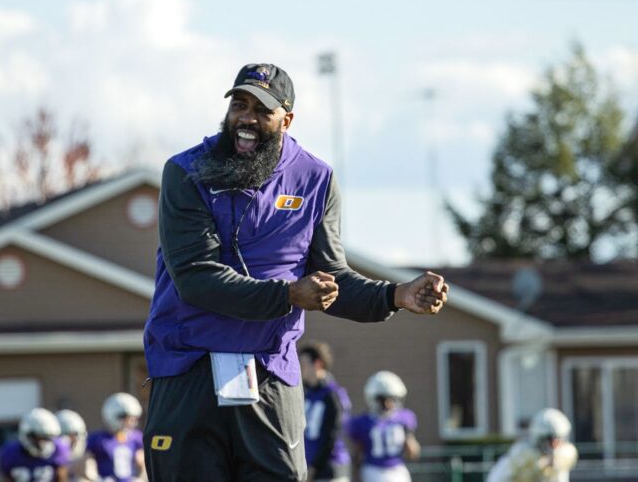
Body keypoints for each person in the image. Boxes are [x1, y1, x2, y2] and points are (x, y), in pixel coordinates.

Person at [142, 62, 449, 481]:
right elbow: (196, 278)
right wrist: (287, 296)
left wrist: (394, 295)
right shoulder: (185, 171)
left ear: (286, 119)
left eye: (261, 110)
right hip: (188, 371)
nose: (246, 118)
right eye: (239, 104)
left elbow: (331, 279)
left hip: (269, 374)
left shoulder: (316, 179)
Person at [347, 371, 420, 482]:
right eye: (382, 399)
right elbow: (357, 454)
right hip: (373, 470)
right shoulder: (362, 422)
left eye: (391, 399)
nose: (387, 404)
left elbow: (413, 454)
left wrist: (408, 436)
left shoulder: (404, 418)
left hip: (397, 470)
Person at [299, 341, 352, 482]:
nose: (300, 369)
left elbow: (332, 436)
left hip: (330, 469)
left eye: (303, 364)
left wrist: (315, 467)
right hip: (311, 468)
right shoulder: (308, 394)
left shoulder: (333, 396)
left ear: (318, 364)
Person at [486, 408, 578, 482]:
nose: (554, 445)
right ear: (540, 438)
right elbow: (496, 478)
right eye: (550, 439)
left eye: (558, 439)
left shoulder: (560, 458)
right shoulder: (521, 457)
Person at [86, 393, 145, 482]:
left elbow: (143, 465)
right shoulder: (98, 439)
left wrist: (141, 479)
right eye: (128, 419)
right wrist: (95, 479)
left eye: (134, 419)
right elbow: (88, 464)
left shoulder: (136, 438)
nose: (132, 423)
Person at [0, 408, 69, 482]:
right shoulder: (10, 453)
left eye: (48, 438)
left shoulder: (58, 449)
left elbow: (61, 478)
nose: (44, 443)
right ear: (28, 436)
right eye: (40, 438)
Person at [56, 410, 94, 482]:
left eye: (75, 435)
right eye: (70, 436)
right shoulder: (49, 461)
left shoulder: (86, 459)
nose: (74, 440)